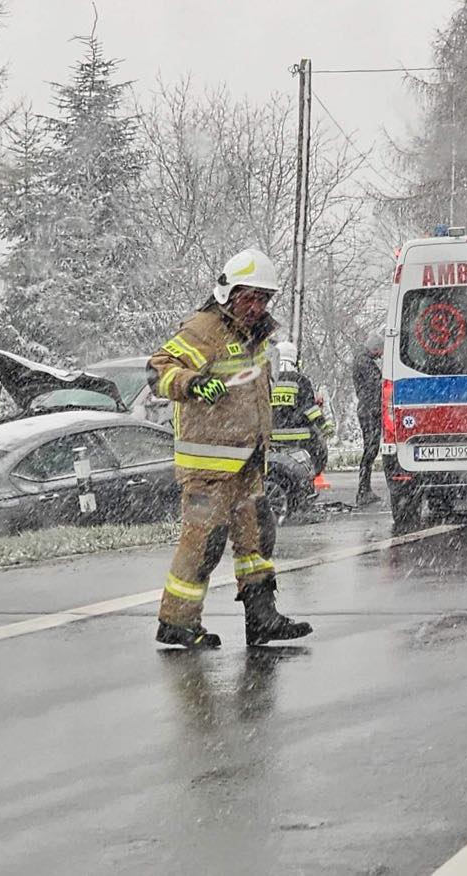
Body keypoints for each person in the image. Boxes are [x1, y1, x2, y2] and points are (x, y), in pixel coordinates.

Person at [147, 248, 313, 649]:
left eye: (262, 299)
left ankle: (262, 618)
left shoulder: (252, 338)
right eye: (248, 297)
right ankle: (177, 621)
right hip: (208, 468)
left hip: (246, 463)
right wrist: (193, 383)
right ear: (226, 294)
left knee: (257, 539)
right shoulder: (204, 330)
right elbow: (159, 370)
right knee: (204, 543)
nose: (256, 307)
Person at [270, 340, 334, 475]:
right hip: (299, 438)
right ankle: (308, 479)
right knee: (318, 451)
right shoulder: (301, 380)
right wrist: (325, 426)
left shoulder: (268, 380)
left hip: (272, 436)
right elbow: (311, 410)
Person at [351, 327, 384, 506]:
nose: (381, 355)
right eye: (380, 351)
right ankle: (363, 490)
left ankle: (365, 489)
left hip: (369, 409)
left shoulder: (363, 360)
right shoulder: (364, 362)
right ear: (375, 348)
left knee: (371, 449)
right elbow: (377, 384)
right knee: (370, 450)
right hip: (369, 411)